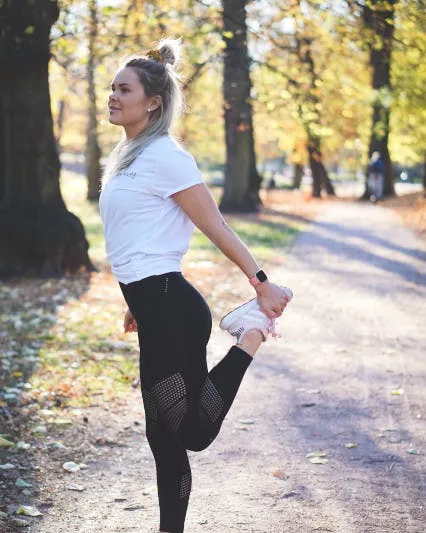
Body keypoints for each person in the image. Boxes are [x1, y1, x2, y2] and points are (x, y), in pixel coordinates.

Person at [99, 38, 292, 533]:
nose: (113, 96)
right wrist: (132, 299)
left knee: (192, 432)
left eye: (125, 89)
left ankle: (249, 333)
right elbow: (136, 235)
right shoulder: (127, 155)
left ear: (153, 102)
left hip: (173, 307)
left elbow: (217, 226)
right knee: (162, 437)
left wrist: (261, 283)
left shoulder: (166, 156)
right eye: (112, 87)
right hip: (152, 304)